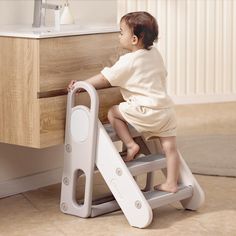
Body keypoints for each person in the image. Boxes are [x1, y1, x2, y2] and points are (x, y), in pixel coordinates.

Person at [68, 11, 180, 193]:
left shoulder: (128, 60)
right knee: (170, 148)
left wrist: (83, 84)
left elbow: (105, 78)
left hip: (145, 110)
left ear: (134, 39)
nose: (119, 36)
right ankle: (172, 183)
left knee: (113, 112)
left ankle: (130, 144)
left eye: (121, 32)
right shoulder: (155, 54)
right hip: (165, 110)